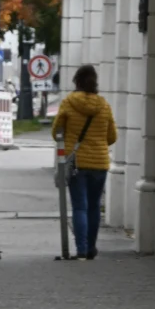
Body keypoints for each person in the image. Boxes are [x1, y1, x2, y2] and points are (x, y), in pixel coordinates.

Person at [52, 63, 117, 259]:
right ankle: (91, 248)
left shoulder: (68, 102)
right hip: (99, 163)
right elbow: (112, 136)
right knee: (94, 206)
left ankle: (81, 249)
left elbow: (56, 132)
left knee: (80, 206)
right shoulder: (104, 105)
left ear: (77, 81)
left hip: (77, 163)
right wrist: (97, 143)